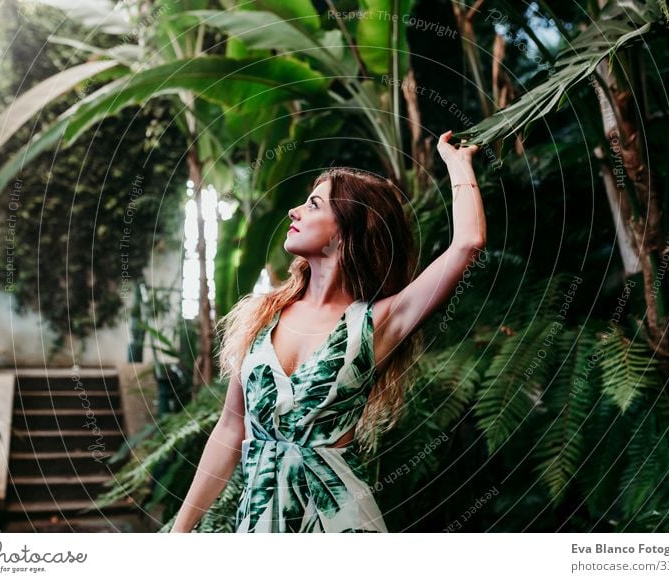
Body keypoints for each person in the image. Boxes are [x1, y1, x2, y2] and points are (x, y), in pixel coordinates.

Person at [170, 130, 486, 533]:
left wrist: (457, 165)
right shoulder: (260, 316)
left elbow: (468, 243)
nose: (294, 212)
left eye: (313, 204)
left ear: (344, 232)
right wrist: (180, 533)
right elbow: (231, 428)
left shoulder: (379, 322)